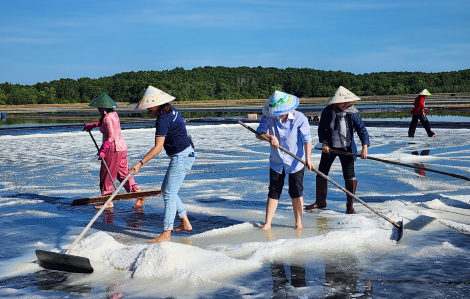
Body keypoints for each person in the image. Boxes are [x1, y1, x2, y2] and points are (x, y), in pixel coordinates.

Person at [131, 86, 195, 243]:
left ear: (158, 104)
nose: (147, 109)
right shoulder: (170, 111)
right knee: (167, 190)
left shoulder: (163, 119)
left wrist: (140, 163)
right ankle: (185, 222)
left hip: (181, 157)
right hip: (185, 154)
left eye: (149, 106)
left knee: (169, 194)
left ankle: (166, 233)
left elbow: (158, 147)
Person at [305, 86, 369, 214]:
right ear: (335, 102)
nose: (345, 104)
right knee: (322, 173)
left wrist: (364, 147)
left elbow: (362, 130)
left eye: (347, 102)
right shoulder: (328, 112)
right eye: (342, 102)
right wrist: (324, 143)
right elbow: (321, 129)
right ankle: (320, 202)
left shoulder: (352, 114)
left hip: (347, 148)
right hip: (330, 148)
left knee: (349, 176)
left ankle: (350, 206)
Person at [256, 90, 314, 231]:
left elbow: (307, 140)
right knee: (274, 191)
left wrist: (308, 159)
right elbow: (259, 134)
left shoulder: (299, 118)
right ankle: (268, 223)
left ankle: (298, 223)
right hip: (277, 161)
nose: (276, 114)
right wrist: (270, 137)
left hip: (296, 160)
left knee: (296, 191)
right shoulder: (268, 116)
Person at [83, 93, 143, 209]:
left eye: (100, 108)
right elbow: (104, 124)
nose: (99, 110)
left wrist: (103, 149)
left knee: (106, 173)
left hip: (113, 148)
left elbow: (111, 136)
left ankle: (108, 200)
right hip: (122, 147)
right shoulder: (113, 114)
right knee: (123, 173)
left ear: (103, 108)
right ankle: (138, 192)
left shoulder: (107, 117)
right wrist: (92, 125)